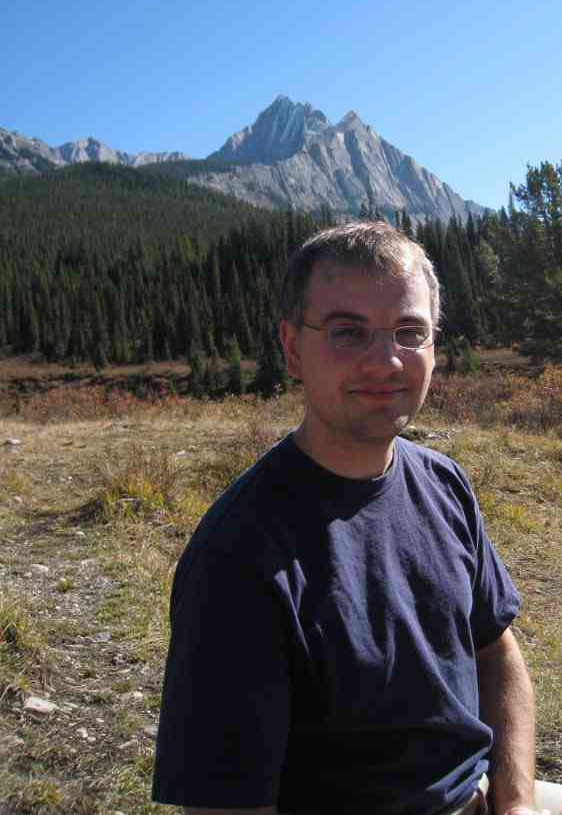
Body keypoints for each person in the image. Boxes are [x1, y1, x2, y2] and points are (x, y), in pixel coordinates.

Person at [152, 222, 538, 815]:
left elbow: (496, 653)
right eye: (347, 332)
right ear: (292, 349)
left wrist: (517, 803)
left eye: (410, 332)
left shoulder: (444, 484)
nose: (386, 361)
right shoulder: (238, 556)